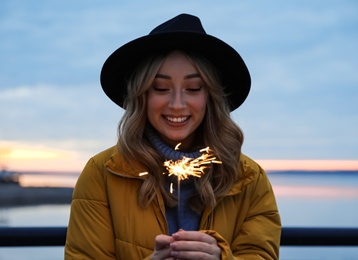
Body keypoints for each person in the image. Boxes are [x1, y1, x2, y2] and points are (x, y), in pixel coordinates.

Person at [65, 14, 281, 260]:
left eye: (193, 88)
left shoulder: (249, 178)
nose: (177, 104)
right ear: (142, 95)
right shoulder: (102, 173)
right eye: (160, 88)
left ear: (210, 97)